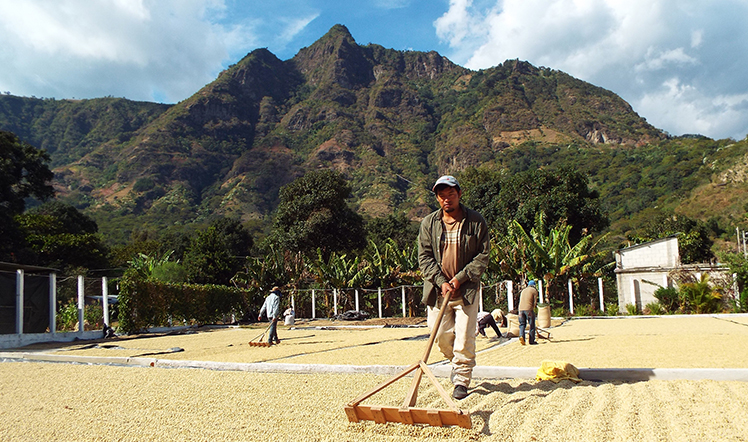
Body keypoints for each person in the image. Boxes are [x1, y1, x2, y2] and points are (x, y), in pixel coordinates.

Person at [418, 175, 490, 400]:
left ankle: (461, 380)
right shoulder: (429, 223)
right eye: (442, 195)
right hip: (438, 293)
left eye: (451, 194)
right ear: (437, 198)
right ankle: (457, 364)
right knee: (439, 336)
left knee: (465, 338)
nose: (446, 199)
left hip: (466, 291)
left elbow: (482, 255)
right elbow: (425, 258)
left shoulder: (476, 221)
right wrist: (441, 282)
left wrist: (460, 278)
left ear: (459, 194)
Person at [518, 280, 539, 345]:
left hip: (520, 310)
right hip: (528, 310)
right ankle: (531, 341)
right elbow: (535, 301)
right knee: (531, 324)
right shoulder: (534, 290)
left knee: (522, 325)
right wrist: (534, 308)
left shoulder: (523, 290)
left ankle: (522, 336)